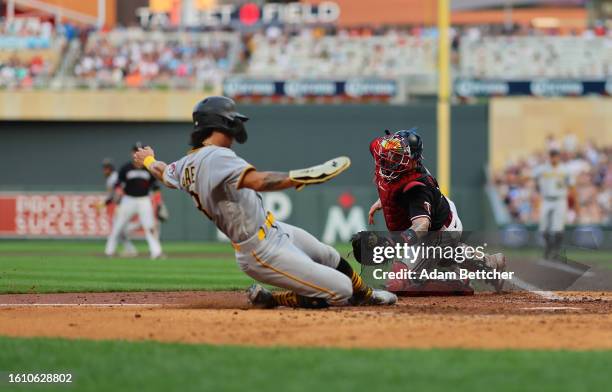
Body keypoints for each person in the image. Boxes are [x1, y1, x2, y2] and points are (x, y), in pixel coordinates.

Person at [132, 96, 397, 308]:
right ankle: (274, 299)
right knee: (340, 290)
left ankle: (365, 294)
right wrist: (299, 177)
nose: (237, 127)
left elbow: (164, 173)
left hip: (273, 229)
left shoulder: (188, 162)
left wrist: (148, 161)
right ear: (220, 123)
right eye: (232, 121)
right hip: (259, 249)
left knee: (326, 254)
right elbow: (257, 181)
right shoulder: (215, 156)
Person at [364, 128, 506, 294]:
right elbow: (394, 185)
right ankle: (488, 262)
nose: (387, 158)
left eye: (396, 155)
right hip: (437, 214)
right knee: (443, 255)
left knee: (398, 284)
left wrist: (393, 242)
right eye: (390, 151)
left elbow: (422, 226)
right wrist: (383, 200)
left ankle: (457, 280)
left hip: (439, 230)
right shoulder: (387, 158)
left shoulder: (417, 187)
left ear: (411, 161)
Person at [104, 144, 163, 259]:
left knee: (149, 227)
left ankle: (156, 252)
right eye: (135, 151)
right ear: (132, 153)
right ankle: (109, 251)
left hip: (144, 200)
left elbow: (155, 187)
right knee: (118, 225)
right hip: (128, 199)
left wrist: (159, 202)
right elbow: (118, 184)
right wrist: (117, 195)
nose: (137, 153)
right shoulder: (126, 168)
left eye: (139, 150)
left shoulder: (148, 167)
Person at [533, 149, 575, 261]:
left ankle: (556, 249)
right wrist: (537, 186)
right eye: (552, 156)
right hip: (546, 199)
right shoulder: (543, 168)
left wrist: (573, 203)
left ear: (558, 157)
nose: (554, 158)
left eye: (555, 156)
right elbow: (533, 176)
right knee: (543, 227)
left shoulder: (565, 169)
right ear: (549, 157)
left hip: (560, 199)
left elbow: (571, 185)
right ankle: (549, 246)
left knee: (558, 227)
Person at [101, 158, 138, 257]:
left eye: (106, 168)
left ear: (110, 169)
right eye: (104, 168)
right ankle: (130, 249)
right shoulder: (113, 177)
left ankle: (110, 251)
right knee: (120, 230)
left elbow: (117, 192)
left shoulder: (113, 177)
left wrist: (107, 203)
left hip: (122, 204)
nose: (104, 171)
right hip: (123, 204)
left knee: (117, 228)